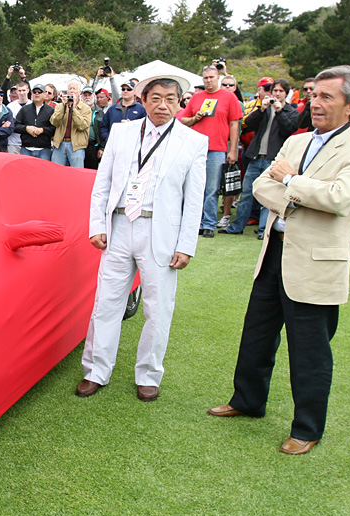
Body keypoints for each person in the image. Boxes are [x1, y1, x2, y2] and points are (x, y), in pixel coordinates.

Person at [208, 66, 350, 454]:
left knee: (310, 350)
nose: (314, 103)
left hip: (316, 264)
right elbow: (259, 185)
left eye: (325, 97)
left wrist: (290, 183)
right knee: (256, 335)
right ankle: (247, 400)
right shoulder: (297, 142)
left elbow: (341, 199)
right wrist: (301, 194)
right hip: (274, 254)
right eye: (313, 95)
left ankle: (307, 428)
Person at [76, 75, 207, 402]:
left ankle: (149, 374)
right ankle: (95, 370)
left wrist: (185, 244)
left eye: (170, 99)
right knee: (106, 302)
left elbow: (194, 200)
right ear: (143, 100)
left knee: (158, 308)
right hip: (119, 226)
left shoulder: (193, 142)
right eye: (156, 98)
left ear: (180, 102)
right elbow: (102, 185)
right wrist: (97, 225)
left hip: (159, 232)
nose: (163, 105)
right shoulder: (122, 132)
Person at [222, 79, 299, 238]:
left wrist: (280, 112)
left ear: (286, 93)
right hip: (256, 157)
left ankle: (265, 230)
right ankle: (236, 227)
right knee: (247, 194)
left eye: (280, 91)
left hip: (274, 159)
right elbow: (248, 124)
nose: (277, 94)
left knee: (268, 196)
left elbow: (288, 130)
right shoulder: (263, 109)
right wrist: (261, 110)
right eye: (274, 91)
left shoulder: (291, 111)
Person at [177, 65, 242, 238]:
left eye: (212, 77)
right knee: (193, 187)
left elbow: (234, 124)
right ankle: (194, 223)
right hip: (195, 149)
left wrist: (232, 149)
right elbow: (183, 119)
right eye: (205, 78)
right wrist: (195, 118)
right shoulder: (197, 97)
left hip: (217, 148)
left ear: (218, 77)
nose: (208, 81)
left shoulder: (229, 97)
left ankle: (208, 224)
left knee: (212, 189)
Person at [49, 80, 92, 167]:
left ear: (79, 92)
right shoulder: (60, 106)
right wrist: (63, 107)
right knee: (56, 172)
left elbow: (82, 126)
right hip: (60, 144)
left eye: (74, 89)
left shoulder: (86, 108)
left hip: (76, 146)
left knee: (77, 174)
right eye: (70, 89)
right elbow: (54, 122)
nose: (72, 91)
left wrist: (74, 109)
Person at [14, 85, 55, 160]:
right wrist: (26, 128)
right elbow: (15, 126)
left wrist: (42, 130)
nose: (37, 93)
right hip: (26, 149)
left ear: (44, 94)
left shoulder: (51, 110)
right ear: (32, 94)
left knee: (43, 171)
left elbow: (54, 129)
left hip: (44, 150)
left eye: (39, 92)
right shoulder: (25, 109)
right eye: (35, 92)